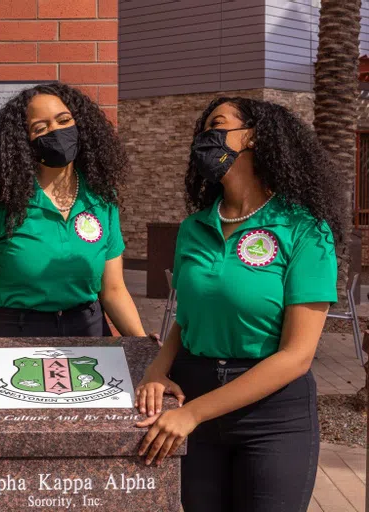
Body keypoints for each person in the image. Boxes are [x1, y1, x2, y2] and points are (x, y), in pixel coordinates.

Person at [135, 97, 343, 512]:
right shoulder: (194, 227)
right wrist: (157, 368)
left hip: (272, 413)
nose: (204, 139)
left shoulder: (303, 228)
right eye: (203, 130)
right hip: (192, 392)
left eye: (218, 125)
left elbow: (297, 356)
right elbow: (187, 318)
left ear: (255, 136)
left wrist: (192, 415)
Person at [0, 82, 145, 351]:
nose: (56, 132)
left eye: (63, 120)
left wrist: (144, 345)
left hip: (89, 331)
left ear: (81, 123)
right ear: (23, 141)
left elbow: (113, 289)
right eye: (40, 128)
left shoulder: (101, 197)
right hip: (15, 332)